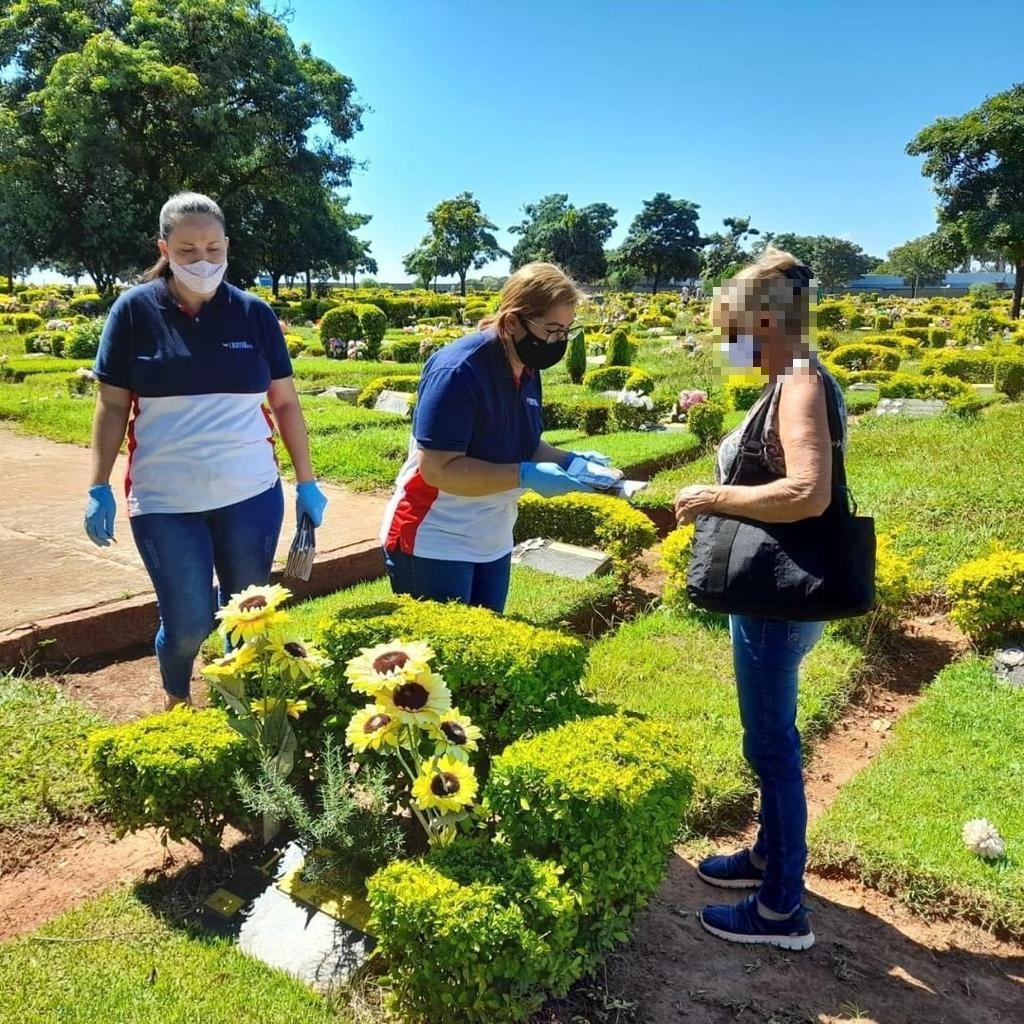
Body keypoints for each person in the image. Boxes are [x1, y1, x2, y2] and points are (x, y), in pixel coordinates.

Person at [84, 192, 328, 710]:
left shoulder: (253, 314)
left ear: (227, 247)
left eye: (214, 249)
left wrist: (306, 482)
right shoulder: (134, 311)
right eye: (189, 250)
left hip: (251, 494)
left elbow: (284, 404)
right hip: (165, 500)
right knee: (189, 621)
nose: (203, 261)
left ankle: (233, 697)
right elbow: (110, 406)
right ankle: (177, 697)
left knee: (245, 613)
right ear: (164, 247)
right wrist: (98, 485)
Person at [673, 247, 847, 951]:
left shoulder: (800, 382)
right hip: (772, 592)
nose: (727, 346)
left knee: (770, 744)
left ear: (769, 320)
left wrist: (712, 496)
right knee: (771, 737)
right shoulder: (790, 378)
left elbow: (809, 492)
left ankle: (781, 909)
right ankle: (766, 857)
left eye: (733, 331)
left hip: (777, 599)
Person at [379, 262, 608, 613]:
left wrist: (570, 460)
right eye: (551, 330)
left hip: (493, 537)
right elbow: (438, 470)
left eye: (565, 331)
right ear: (513, 320)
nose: (557, 342)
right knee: (442, 660)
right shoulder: (457, 370)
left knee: (484, 659)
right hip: (435, 538)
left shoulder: (527, 366)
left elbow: (525, 443)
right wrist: (523, 475)